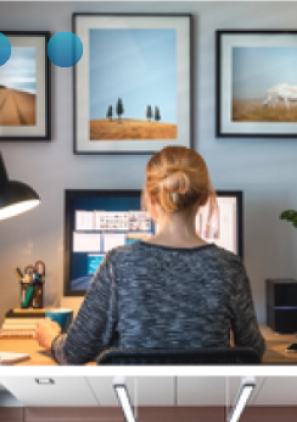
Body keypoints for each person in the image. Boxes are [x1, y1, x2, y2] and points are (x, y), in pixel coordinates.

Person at [34, 146, 266, 366]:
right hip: (206, 403)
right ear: (204, 197)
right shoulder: (229, 266)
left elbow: (73, 353)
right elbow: (253, 350)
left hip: (136, 403)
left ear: (151, 198)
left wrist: (52, 339)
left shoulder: (119, 263)